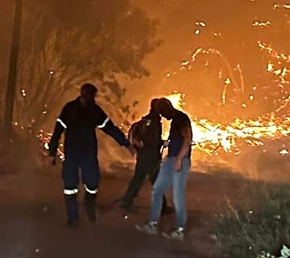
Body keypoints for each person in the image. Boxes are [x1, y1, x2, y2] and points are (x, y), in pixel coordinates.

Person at [47, 82, 132, 227]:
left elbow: (110, 128)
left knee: (92, 182)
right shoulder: (69, 109)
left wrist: (126, 143)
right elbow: (57, 131)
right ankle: (73, 218)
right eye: (88, 96)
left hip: (88, 152)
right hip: (72, 152)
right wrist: (52, 152)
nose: (89, 99)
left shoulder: (95, 111)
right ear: (82, 94)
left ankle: (89, 202)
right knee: (70, 186)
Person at [136, 97, 192, 240]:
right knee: (157, 189)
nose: (163, 116)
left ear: (167, 108)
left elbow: (187, 139)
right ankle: (153, 224)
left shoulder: (181, 119)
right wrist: (169, 155)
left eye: (162, 112)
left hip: (180, 161)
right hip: (171, 160)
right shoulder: (175, 121)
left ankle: (180, 230)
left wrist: (179, 159)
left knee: (177, 196)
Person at [120, 99, 166, 213]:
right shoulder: (154, 122)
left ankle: (162, 207)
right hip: (150, 156)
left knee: (145, 179)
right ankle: (126, 202)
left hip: (144, 154)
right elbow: (152, 140)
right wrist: (162, 143)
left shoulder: (146, 120)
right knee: (145, 179)